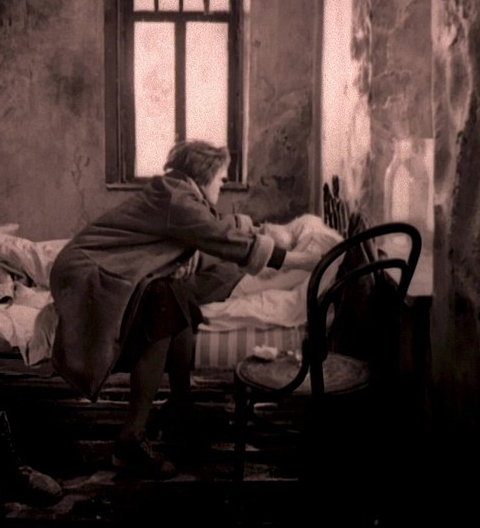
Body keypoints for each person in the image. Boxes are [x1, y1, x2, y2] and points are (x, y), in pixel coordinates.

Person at [49, 140, 321, 478]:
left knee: (173, 294)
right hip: (86, 274)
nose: (221, 185)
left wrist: (250, 229)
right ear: (204, 175)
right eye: (221, 178)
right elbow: (221, 236)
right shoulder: (177, 199)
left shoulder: (179, 194)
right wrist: (304, 261)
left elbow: (216, 227)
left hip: (100, 267)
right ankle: (131, 440)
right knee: (164, 299)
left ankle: (180, 407)